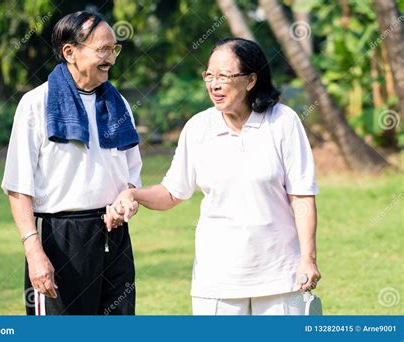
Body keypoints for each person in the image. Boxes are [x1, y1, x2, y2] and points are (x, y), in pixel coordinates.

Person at [105, 38, 321, 315]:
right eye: (209, 75)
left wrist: (308, 259)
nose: (214, 84)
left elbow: (302, 194)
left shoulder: (282, 121)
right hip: (217, 280)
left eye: (224, 76)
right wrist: (132, 193)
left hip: (281, 276)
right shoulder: (199, 127)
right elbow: (172, 192)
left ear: (250, 80)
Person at [1, 11, 142, 315]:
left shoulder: (120, 105)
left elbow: (131, 176)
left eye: (114, 49)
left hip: (114, 235)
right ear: (70, 52)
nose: (111, 59)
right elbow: (17, 187)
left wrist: (126, 200)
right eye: (102, 50)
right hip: (58, 237)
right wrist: (34, 252)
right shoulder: (36, 104)